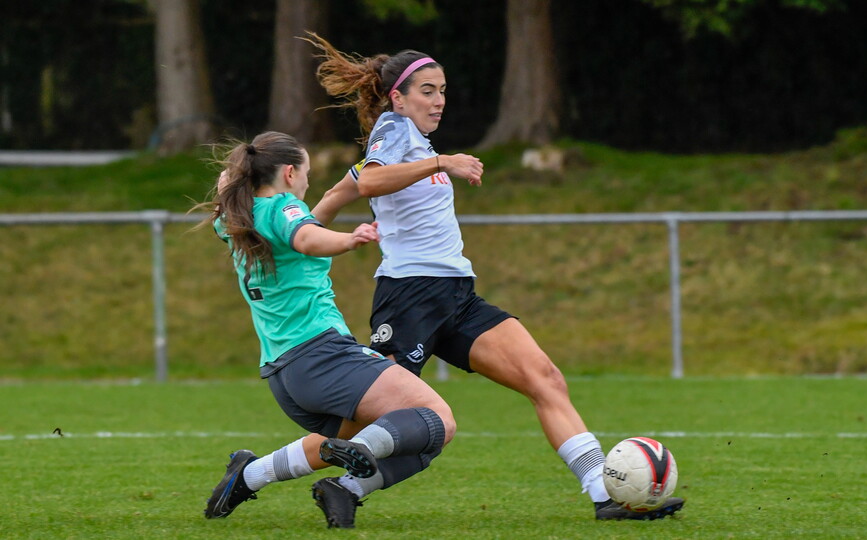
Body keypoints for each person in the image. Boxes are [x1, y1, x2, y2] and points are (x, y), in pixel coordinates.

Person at [306, 35, 684, 521]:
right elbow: (367, 181)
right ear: (398, 97)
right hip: (410, 297)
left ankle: (603, 495)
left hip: (456, 295)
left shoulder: (416, 143)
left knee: (544, 378)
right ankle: (259, 472)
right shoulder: (393, 128)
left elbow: (344, 188)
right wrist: (443, 162)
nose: (438, 99)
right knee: (363, 419)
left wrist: (305, 231)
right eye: (427, 90)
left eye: (442, 89)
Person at [198, 131, 456, 529]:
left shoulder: (236, 220)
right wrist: (348, 239)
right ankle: (354, 452)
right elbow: (307, 236)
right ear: (288, 173)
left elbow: (300, 217)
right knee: (436, 417)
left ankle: (250, 476)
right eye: (306, 173)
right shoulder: (284, 208)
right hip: (322, 356)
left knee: (419, 442)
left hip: (286, 375)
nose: (306, 181)